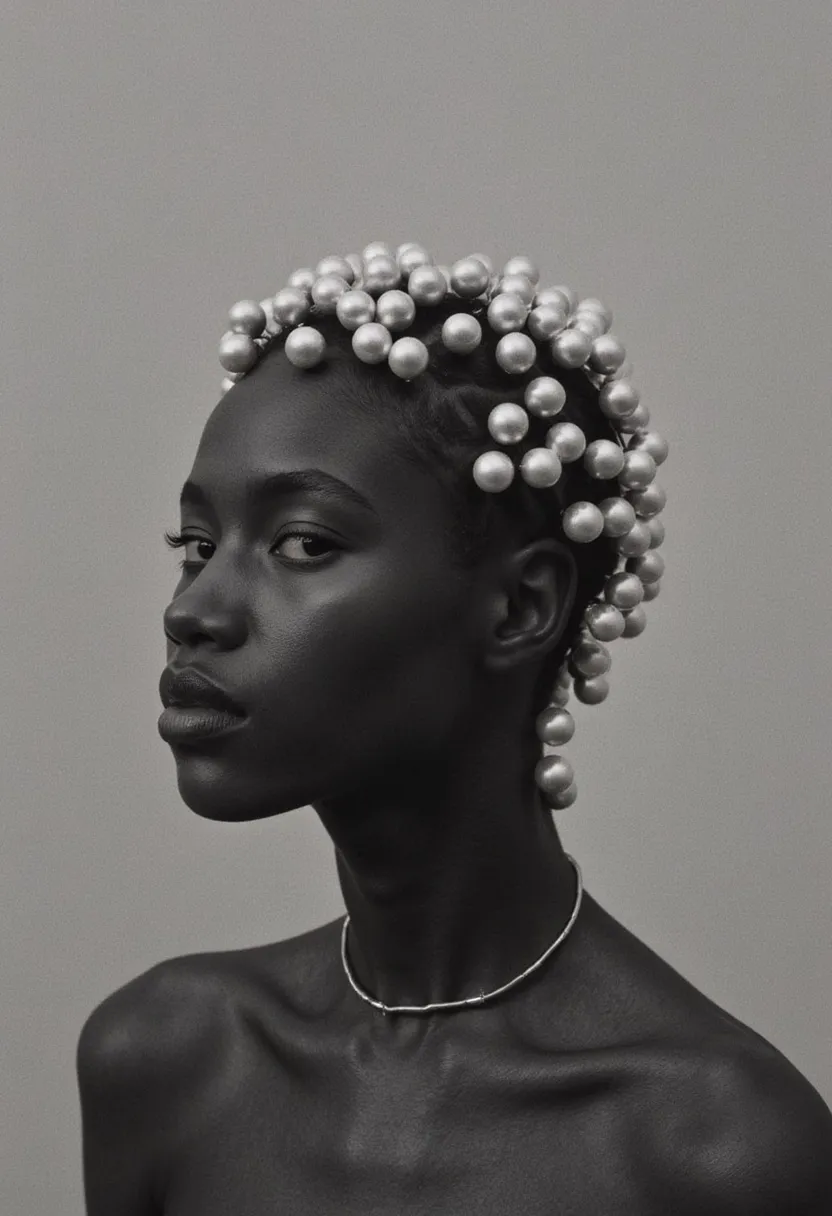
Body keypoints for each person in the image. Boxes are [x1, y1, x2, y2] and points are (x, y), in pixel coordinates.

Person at [75, 244, 832, 1215]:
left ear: (520, 605)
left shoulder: (713, 1150)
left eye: (302, 542)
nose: (195, 610)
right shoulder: (168, 1060)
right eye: (195, 544)